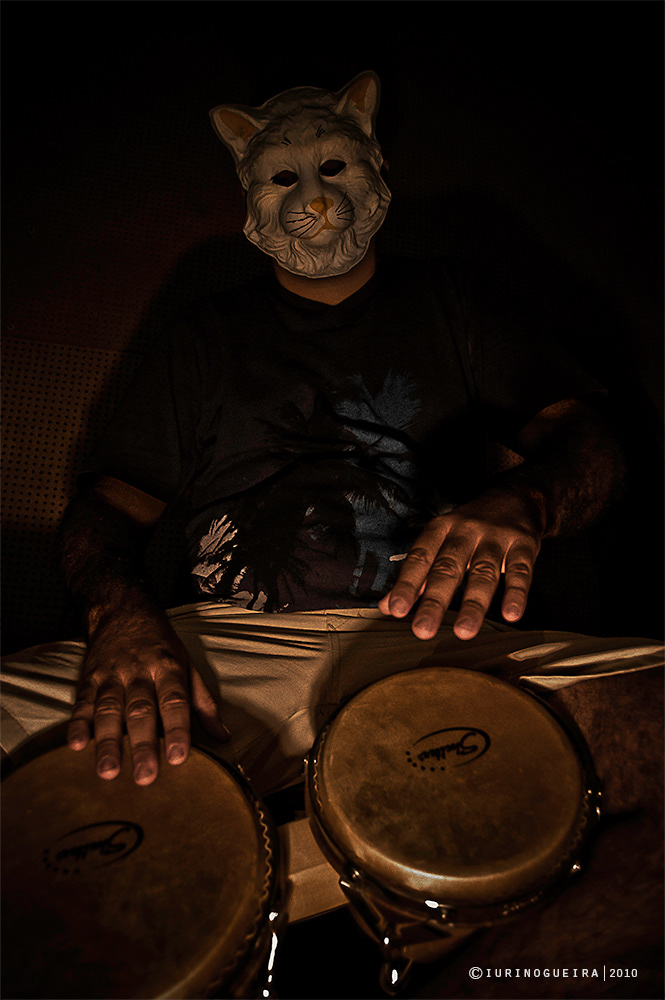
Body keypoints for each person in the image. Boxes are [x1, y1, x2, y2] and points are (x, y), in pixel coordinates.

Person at [2, 72, 659, 796]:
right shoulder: (203, 335)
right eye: (283, 177)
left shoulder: (455, 299)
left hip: (441, 634)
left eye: (334, 166)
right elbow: (107, 508)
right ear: (249, 198)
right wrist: (118, 615)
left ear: (380, 169)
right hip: (228, 648)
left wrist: (529, 498)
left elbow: (591, 444)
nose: (313, 198)